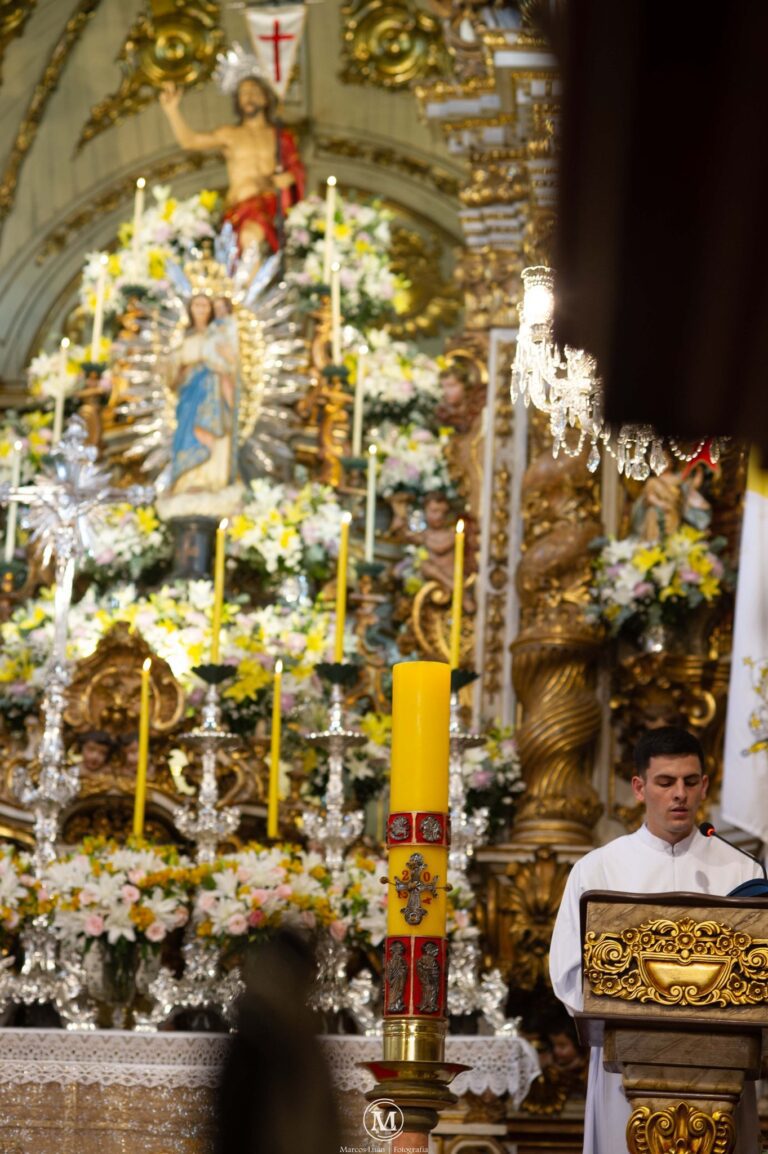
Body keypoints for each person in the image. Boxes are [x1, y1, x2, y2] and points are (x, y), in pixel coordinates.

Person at [549, 726, 763, 1154]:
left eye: (689, 781)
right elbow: (568, 973)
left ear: (705, 785)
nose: (678, 794)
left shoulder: (743, 872)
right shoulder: (598, 870)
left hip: (721, 1069)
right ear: (639, 787)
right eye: (665, 783)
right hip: (626, 1065)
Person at [160, 76, 304, 252]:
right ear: (238, 100)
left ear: (266, 98)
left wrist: (279, 180)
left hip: (270, 207)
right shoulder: (229, 134)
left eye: (255, 92)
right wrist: (172, 111)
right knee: (246, 240)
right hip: (241, 206)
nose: (249, 97)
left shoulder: (279, 136)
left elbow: (296, 170)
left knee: (252, 239)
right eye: (244, 93)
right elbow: (190, 141)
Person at [170, 294, 235, 496]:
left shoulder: (218, 334)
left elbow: (231, 365)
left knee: (213, 430)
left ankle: (211, 480)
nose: (201, 309)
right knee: (188, 430)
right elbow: (173, 376)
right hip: (189, 393)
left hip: (212, 389)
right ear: (190, 309)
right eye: (197, 305)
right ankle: (187, 480)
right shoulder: (184, 338)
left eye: (205, 305)